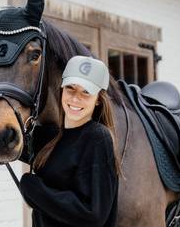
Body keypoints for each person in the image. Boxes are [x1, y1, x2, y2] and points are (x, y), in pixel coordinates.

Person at [19, 55, 120, 227]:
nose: (75, 98)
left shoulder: (97, 138)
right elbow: (9, 143)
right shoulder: (51, 136)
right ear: (61, 90)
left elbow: (93, 215)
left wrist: (34, 190)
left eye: (86, 92)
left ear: (98, 100)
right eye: (70, 88)